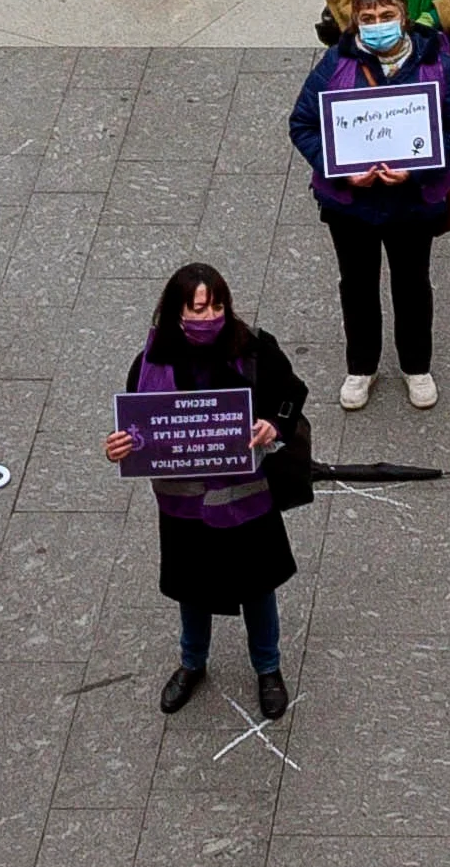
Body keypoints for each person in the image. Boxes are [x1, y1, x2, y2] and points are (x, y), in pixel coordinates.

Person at [111, 262, 311, 715]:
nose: (209, 317)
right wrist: (121, 445)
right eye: (198, 309)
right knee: (192, 589)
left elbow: (291, 394)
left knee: (259, 588)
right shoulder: (148, 365)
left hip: (248, 501)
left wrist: (272, 425)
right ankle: (191, 663)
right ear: (175, 311)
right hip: (183, 508)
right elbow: (139, 431)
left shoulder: (253, 349)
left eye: (217, 306)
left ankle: (268, 668)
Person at [293, 0, 450, 411]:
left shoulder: (438, 64)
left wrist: (416, 168)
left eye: (386, 16)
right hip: (351, 205)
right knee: (356, 285)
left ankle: (416, 366)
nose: (378, 25)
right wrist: (338, 169)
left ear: (404, 18)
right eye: (368, 18)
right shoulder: (335, 64)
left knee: (412, 285)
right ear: (354, 23)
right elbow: (302, 124)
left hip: (412, 203)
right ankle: (361, 367)